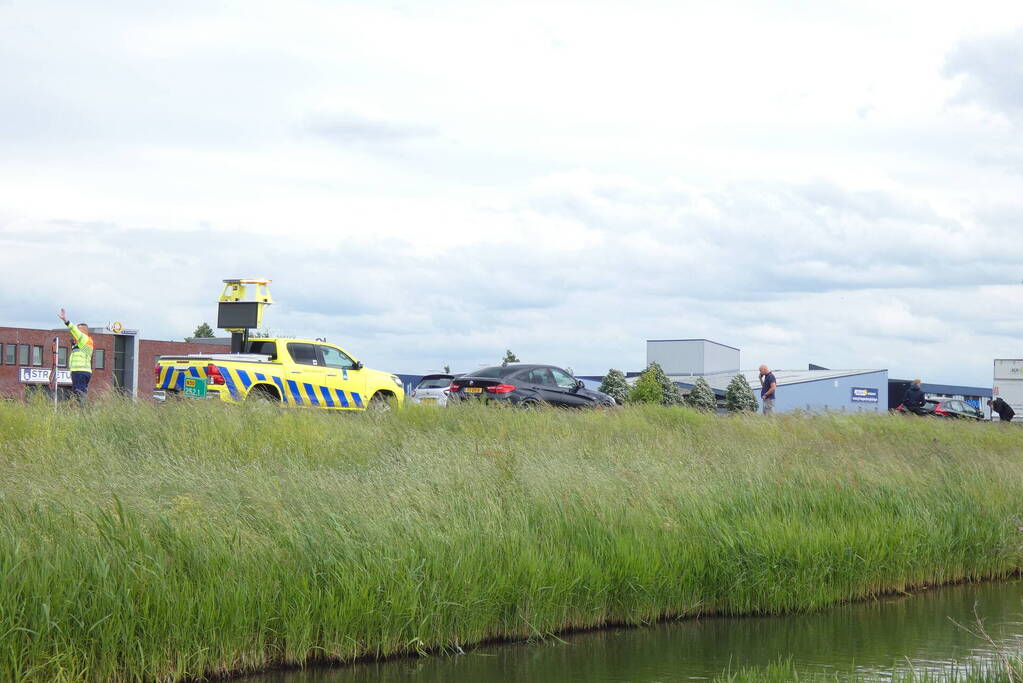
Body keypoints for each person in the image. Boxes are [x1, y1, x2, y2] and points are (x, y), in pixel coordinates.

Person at [57, 308, 93, 400]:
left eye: (79, 329)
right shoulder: (85, 342)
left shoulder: (83, 338)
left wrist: (65, 320)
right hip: (81, 371)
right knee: (79, 393)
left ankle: (81, 412)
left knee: (79, 395)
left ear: (84, 331)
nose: (76, 332)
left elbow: (73, 330)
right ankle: (81, 411)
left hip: (79, 371)